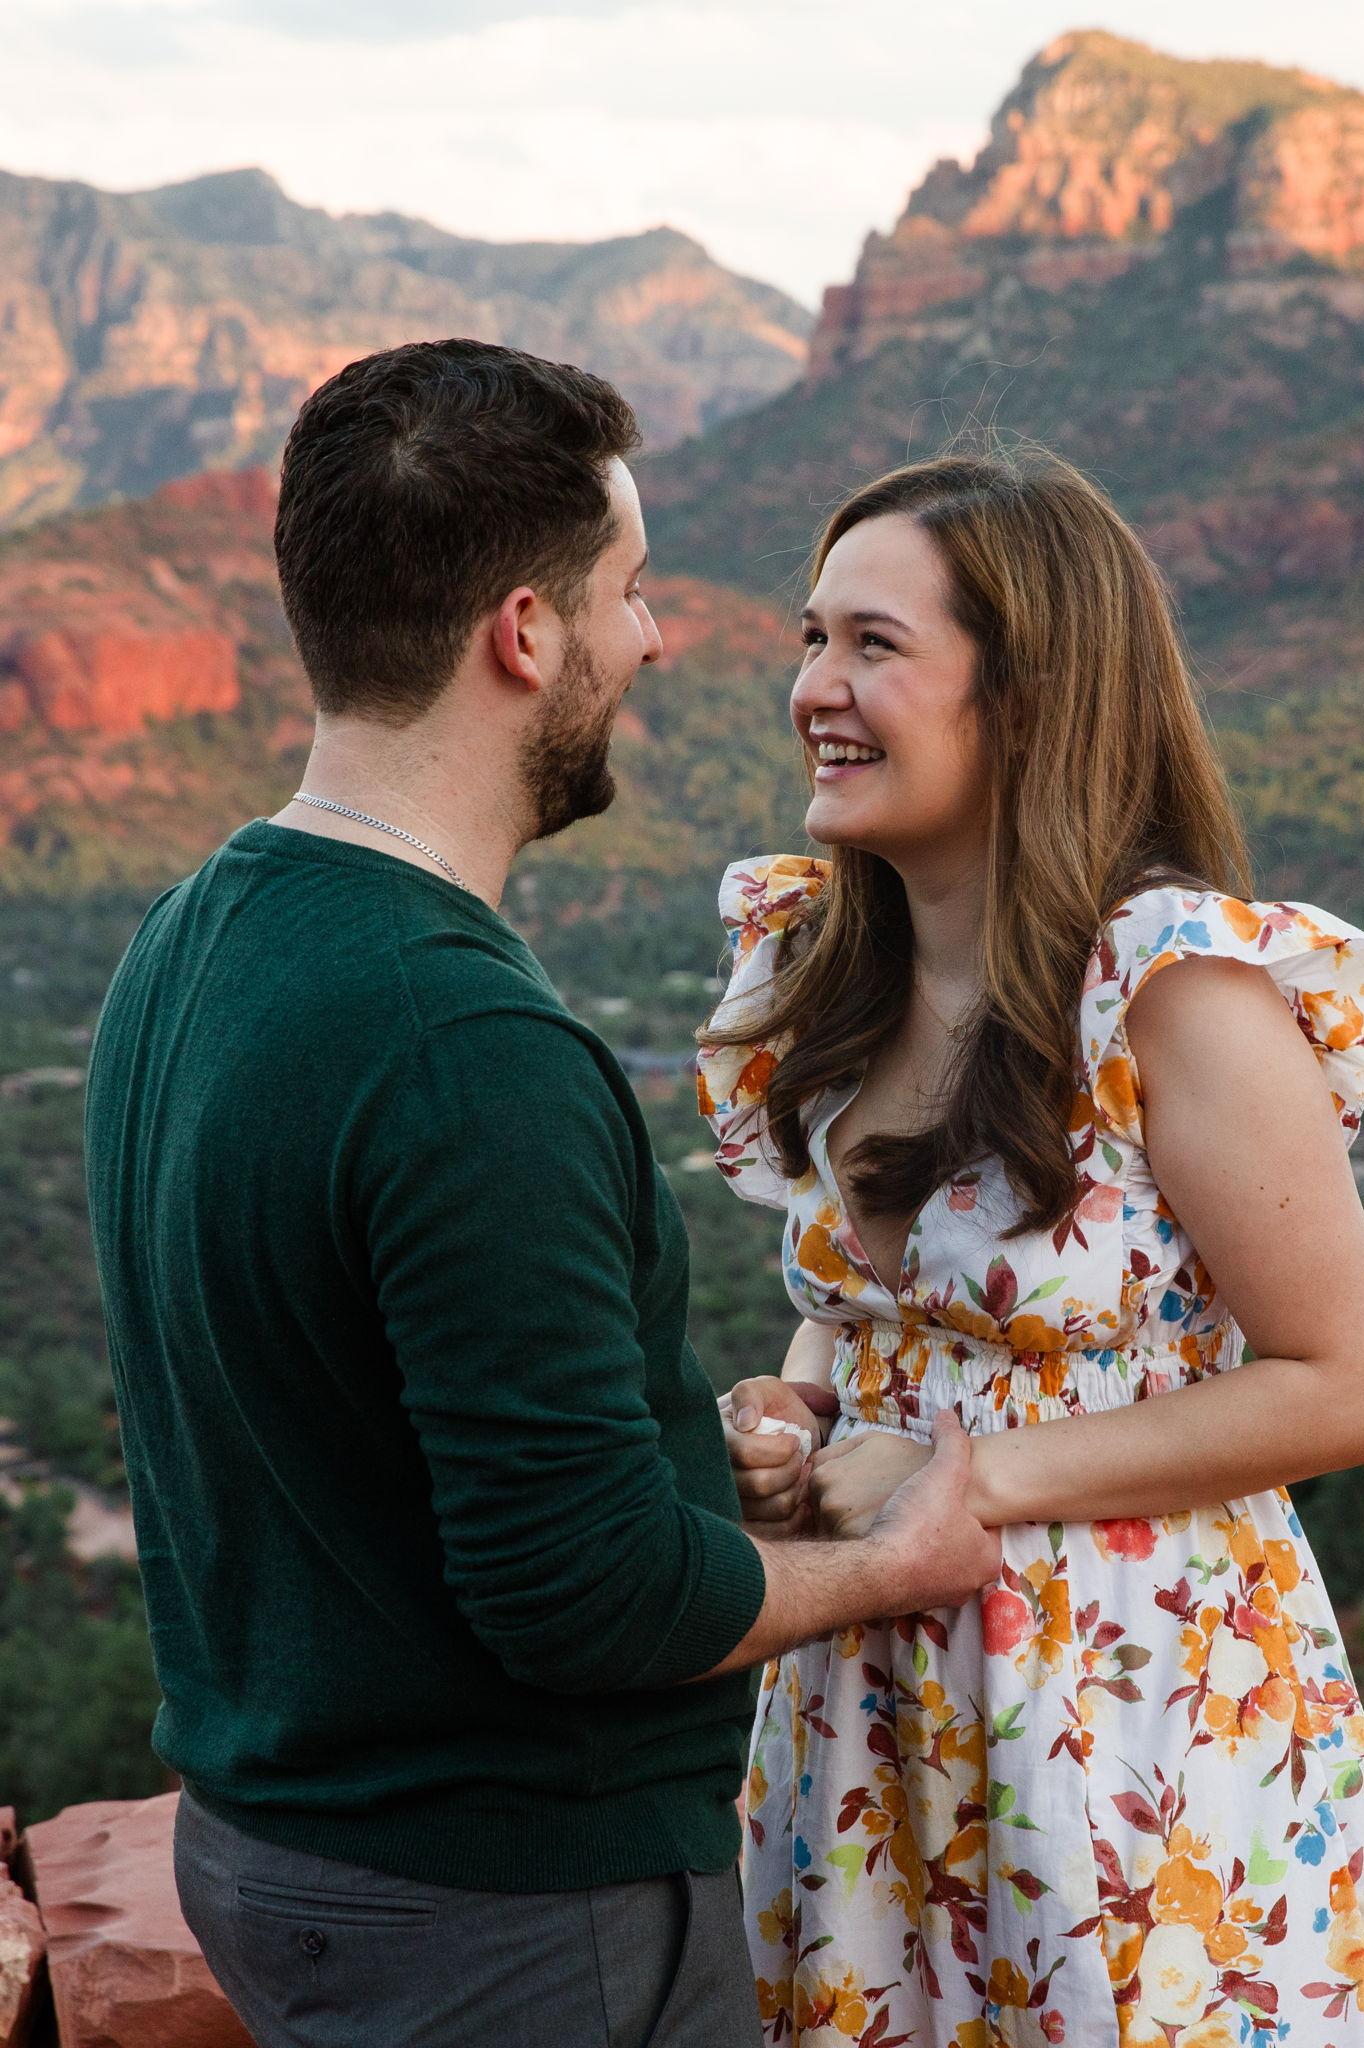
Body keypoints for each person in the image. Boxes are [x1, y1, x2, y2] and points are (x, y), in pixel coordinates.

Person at [83, 339, 997, 2048]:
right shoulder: (467, 1048)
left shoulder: (189, 933)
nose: (654, 639)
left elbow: (343, 1409)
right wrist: (897, 1562)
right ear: (523, 632)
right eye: (629, 592)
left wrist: (658, 1457)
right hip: (511, 1920)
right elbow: (591, 1601)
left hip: (279, 1853)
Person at [697, 449, 1364, 2046]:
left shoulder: (1171, 989)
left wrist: (958, 1478)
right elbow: (867, 1312)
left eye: (874, 645)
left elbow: (1350, 1386)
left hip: (1125, 1719)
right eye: (812, 638)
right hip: (870, 1727)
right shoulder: (824, 971)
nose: (816, 688)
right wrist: (797, 1415)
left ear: (1029, 694)